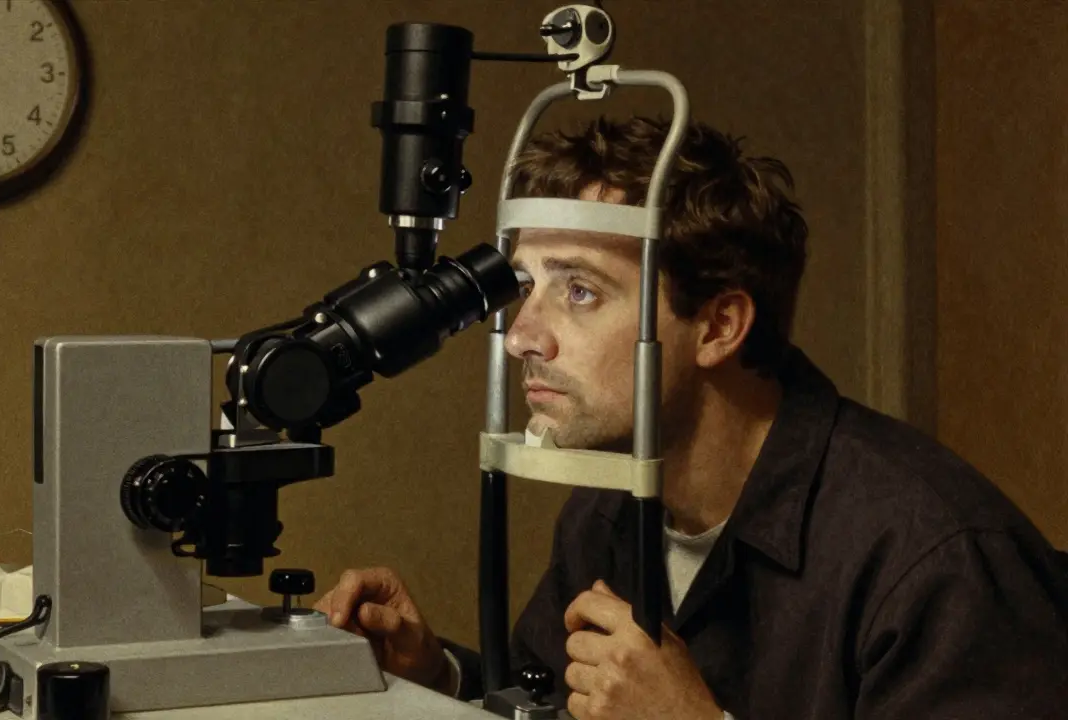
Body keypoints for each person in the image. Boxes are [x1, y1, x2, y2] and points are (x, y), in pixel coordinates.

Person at [313, 115, 1068, 719]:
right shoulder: (607, 512)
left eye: (578, 291)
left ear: (718, 326)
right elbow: (555, 702)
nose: (521, 336)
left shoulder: (938, 564)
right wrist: (436, 675)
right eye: (524, 288)